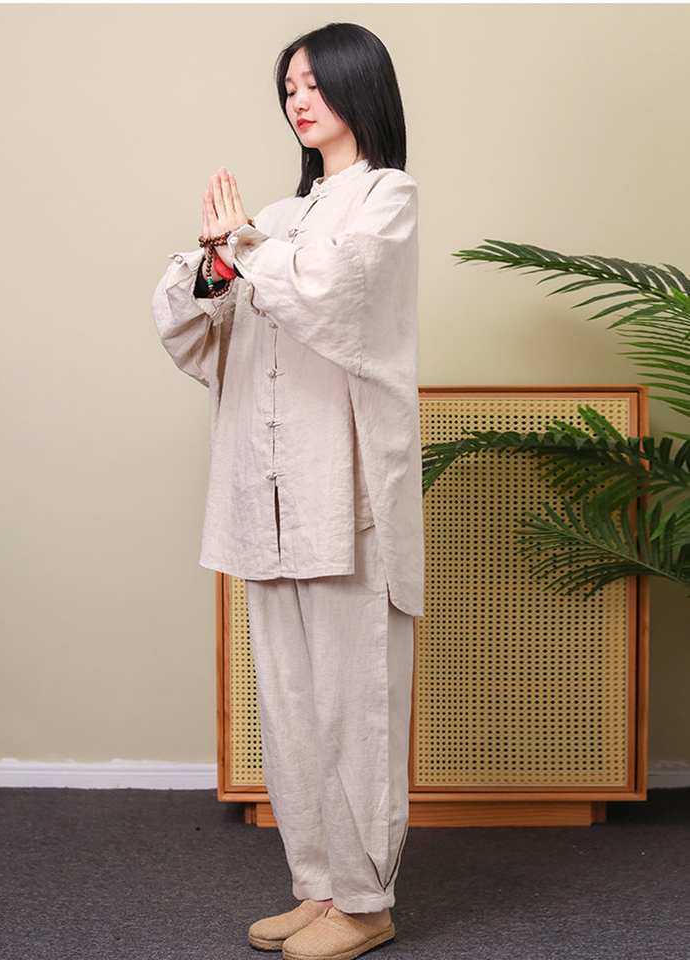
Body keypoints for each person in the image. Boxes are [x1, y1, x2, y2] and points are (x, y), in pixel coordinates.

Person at [152, 21, 424, 960]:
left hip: (345, 493)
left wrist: (245, 249)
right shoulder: (279, 212)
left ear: (360, 86)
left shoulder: (387, 199)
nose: (298, 100)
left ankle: (367, 901)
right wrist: (215, 264)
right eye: (289, 86)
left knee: (355, 703)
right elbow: (199, 334)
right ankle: (320, 889)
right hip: (265, 495)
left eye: (314, 83)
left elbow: (330, 297)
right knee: (291, 706)